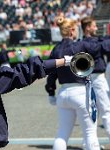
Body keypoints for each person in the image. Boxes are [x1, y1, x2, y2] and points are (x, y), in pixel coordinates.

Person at [45, 17, 101, 150]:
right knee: (90, 133)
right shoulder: (80, 45)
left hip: (63, 93)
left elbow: (51, 73)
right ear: (71, 31)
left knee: (62, 134)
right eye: (75, 30)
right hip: (80, 92)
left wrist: (51, 91)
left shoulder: (56, 49)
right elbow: (97, 49)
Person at [81, 16, 110, 139]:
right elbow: (103, 46)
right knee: (106, 111)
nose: (96, 28)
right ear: (87, 28)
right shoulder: (93, 43)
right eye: (94, 26)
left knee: (92, 112)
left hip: (86, 79)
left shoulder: (82, 42)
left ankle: (90, 144)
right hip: (97, 78)